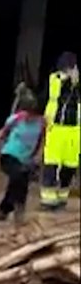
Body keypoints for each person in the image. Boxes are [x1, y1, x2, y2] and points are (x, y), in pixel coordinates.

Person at [0, 93, 46, 224]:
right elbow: (3, 131)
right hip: (9, 154)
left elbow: (42, 140)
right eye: (26, 112)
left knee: (19, 183)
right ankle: (19, 210)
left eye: (31, 114)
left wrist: (39, 155)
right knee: (18, 175)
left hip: (26, 159)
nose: (28, 116)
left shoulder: (42, 123)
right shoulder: (16, 119)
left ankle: (4, 210)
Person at [39, 51, 80, 211]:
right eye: (64, 69)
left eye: (69, 69)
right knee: (51, 163)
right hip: (55, 127)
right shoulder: (54, 79)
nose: (66, 72)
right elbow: (58, 92)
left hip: (74, 131)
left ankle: (62, 198)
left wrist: (76, 82)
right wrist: (69, 80)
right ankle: (48, 201)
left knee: (70, 166)